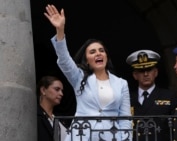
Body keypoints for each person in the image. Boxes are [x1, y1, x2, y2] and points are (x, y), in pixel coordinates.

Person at [44, 4, 132, 141]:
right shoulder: (79, 77)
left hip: (110, 138)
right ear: (87, 60)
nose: (98, 54)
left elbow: (125, 118)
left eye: (101, 51)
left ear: (106, 56)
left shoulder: (121, 84)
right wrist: (60, 31)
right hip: (81, 137)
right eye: (92, 52)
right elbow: (64, 61)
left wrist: (125, 139)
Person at [126, 49, 177, 141]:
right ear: (135, 75)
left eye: (149, 70)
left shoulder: (169, 96)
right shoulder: (127, 98)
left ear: (156, 72)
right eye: (142, 71)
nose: (146, 74)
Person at [37, 75, 67, 141]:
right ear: (43, 90)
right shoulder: (35, 116)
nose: (61, 94)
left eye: (62, 91)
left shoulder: (59, 118)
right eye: (57, 89)